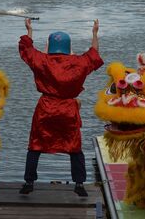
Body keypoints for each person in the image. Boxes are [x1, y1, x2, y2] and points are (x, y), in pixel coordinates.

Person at [18, 18, 104, 197]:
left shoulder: (42, 60)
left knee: (36, 144)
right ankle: (79, 184)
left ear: (49, 46)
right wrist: (94, 33)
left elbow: (26, 49)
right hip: (68, 109)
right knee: (74, 146)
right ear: (69, 47)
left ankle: (29, 182)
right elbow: (94, 53)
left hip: (46, 108)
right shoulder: (78, 63)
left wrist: (30, 30)